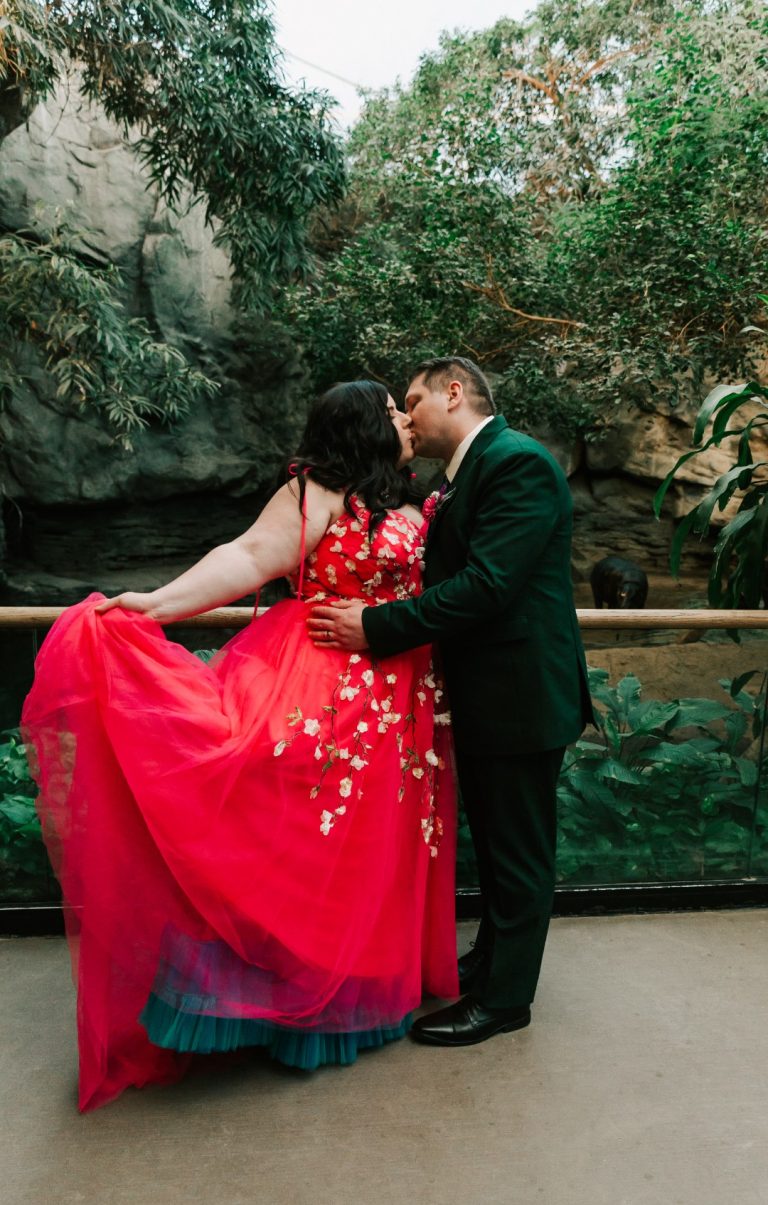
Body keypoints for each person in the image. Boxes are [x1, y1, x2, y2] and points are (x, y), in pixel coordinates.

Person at [22, 380, 458, 1112]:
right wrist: (157, 605)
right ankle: (266, 1005)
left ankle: (348, 998)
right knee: (297, 845)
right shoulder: (314, 492)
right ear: (359, 426)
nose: (403, 418)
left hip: (397, 707)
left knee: (366, 851)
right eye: (390, 410)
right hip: (318, 689)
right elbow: (248, 555)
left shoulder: (415, 500)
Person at [310, 357, 594, 1046]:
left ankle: (504, 1001)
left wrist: (374, 627)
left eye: (412, 402)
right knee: (497, 847)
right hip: (490, 694)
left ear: (455, 392)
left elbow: (488, 585)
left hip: (522, 695)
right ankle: (492, 964)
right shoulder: (465, 473)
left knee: (519, 851)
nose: (405, 418)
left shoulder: (517, 463)